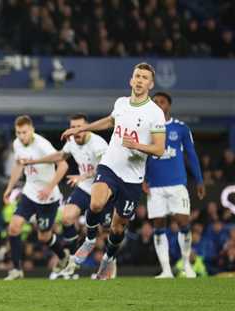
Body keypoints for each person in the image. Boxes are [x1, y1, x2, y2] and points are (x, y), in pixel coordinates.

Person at [61, 62, 166, 280]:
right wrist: (83, 128)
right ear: (131, 80)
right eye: (137, 76)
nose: (139, 80)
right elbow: (110, 121)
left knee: (118, 228)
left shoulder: (155, 113)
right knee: (96, 203)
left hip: (133, 177)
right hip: (110, 165)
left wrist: (137, 145)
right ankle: (90, 239)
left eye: (144, 78)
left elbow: (159, 149)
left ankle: (108, 260)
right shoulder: (121, 103)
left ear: (151, 84)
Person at [20, 114, 111, 278]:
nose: (76, 131)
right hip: (84, 188)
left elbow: (105, 168)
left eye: (79, 127)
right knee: (67, 217)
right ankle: (73, 260)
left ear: (86, 126)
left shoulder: (98, 144)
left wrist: (82, 176)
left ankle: (108, 268)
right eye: (73, 127)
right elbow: (60, 156)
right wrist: (35, 161)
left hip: (102, 187)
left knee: (106, 230)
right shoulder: (71, 143)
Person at [144, 91, 205, 278]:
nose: (158, 104)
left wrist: (199, 180)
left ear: (169, 105)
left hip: (177, 183)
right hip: (154, 185)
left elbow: (191, 155)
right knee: (158, 225)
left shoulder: (181, 128)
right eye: (155, 102)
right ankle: (166, 270)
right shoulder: (145, 128)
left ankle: (186, 265)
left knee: (183, 223)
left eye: (162, 102)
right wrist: (142, 179)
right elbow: (140, 156)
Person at [3, 115, 68, 280]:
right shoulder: (17, 144)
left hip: (47, 197)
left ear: (32, 130)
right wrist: (10, 188)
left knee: (43, 236)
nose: (21, 136)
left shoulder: (42, 145)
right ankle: (17, 270)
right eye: (18, 132)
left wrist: (50, 187)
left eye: (24, 132)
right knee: (14, 227)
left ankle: (63, 256)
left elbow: (63, 164)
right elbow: (19, 165)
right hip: (30, 193)